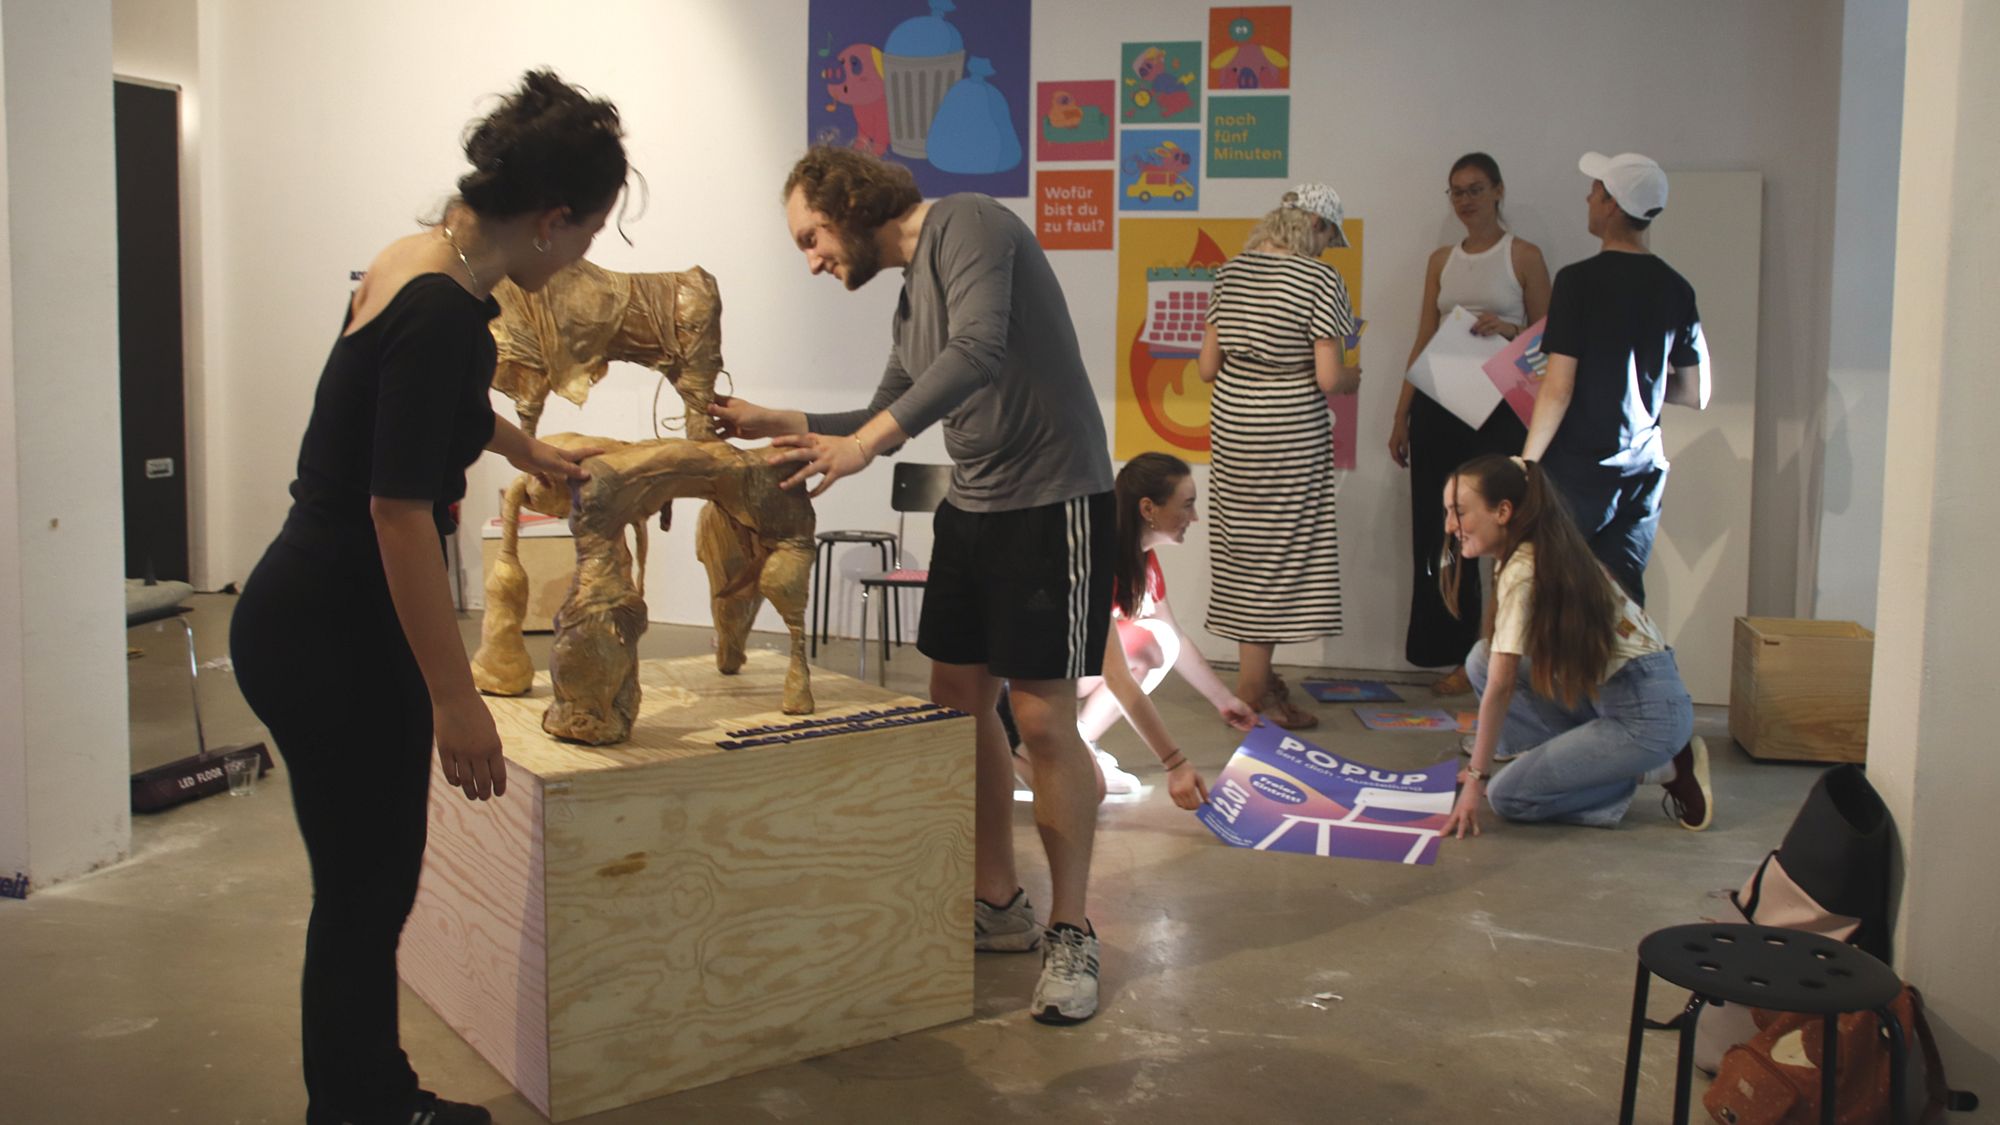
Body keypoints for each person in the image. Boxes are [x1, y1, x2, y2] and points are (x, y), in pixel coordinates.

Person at [228, 71, 627, 1125]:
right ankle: (363, 1107)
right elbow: (397, 514)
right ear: (550, 221)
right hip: (337, 632)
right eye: (589, 230)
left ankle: (364, 1097)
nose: (586, 253)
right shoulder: (450, 315)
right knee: (368, 894)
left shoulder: (421, 262)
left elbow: (419, 397)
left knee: (359, 889)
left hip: (300, 612)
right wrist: (456, 703)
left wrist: (521, 441)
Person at [707, 147, 1116, 1025]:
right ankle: (997, 901)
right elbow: (886, 408)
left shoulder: (968, 221)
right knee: (956, 697)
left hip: (1053, 499)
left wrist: (859, 447)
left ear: (849, 202)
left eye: (811, 237)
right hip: (974, 505)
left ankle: (1072, 927)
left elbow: (977, 349)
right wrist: (783, 422)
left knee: (1042, 718)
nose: (812, 259)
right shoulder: (908, 296)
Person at [1437, 455, 1713, 840]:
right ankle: (1587, 764)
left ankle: (1664, 768)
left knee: (1509, 798)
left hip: (1645, 714)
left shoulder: (1523, 569)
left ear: (1502, 511)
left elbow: (1500, 688)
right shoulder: (1538, 548)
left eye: (1459, 512)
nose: (1451, 526)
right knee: (1481, 658)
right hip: (1617, 696)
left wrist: (1477, 781)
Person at [1197, 183, 1360, 730]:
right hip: (1291, 432)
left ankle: (1256, 683)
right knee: (1285, 553)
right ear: (1316, 225)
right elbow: (1329, 377)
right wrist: (1353, 375)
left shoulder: (1231, 272)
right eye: (1329, 238)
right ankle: (1251, 691)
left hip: (1235, 430)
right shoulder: (1320, 279)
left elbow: (1205, 367)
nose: (1326, 251)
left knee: (1245, 549)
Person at [1388, 153, 1551, 694]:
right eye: (1456, 191)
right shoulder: (1441, 260)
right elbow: (1423, 338)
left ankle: (1499, 653)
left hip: (1499, 408)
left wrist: (1507, 328)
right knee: (1442, 532)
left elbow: (1550, 343)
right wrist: (1402, 413)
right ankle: (1453, 652)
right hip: (1440, 405)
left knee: (1501, 532)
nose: (1465, 200)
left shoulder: (1523, 255)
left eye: (1476, 189)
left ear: (1498, 191)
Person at [1013, 452, 1259, 801]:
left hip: (1066, 669)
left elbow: (1172, 638)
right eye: (1186, 505)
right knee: (1087, 793)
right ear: (1148, 509)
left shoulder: (1139, 555)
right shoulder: (1097, 556)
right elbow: (1118, 676)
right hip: (1027, 680)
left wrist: (1224, 701)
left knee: (1159, 639)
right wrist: (1174, 764)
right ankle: (1019, 748)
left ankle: (1078, 740)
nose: (1195, 517)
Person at [1523, 151, 1710, 605]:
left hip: (1573, 472)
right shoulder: (1676, 288)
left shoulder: (1578, 282)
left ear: (1611, 205)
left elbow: (1558, 388)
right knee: (1620, 607)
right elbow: (1696, 392)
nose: (1588, 196)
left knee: (1556, 605)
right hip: (1640, 472)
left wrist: (1524, 463)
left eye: (1596, 189)